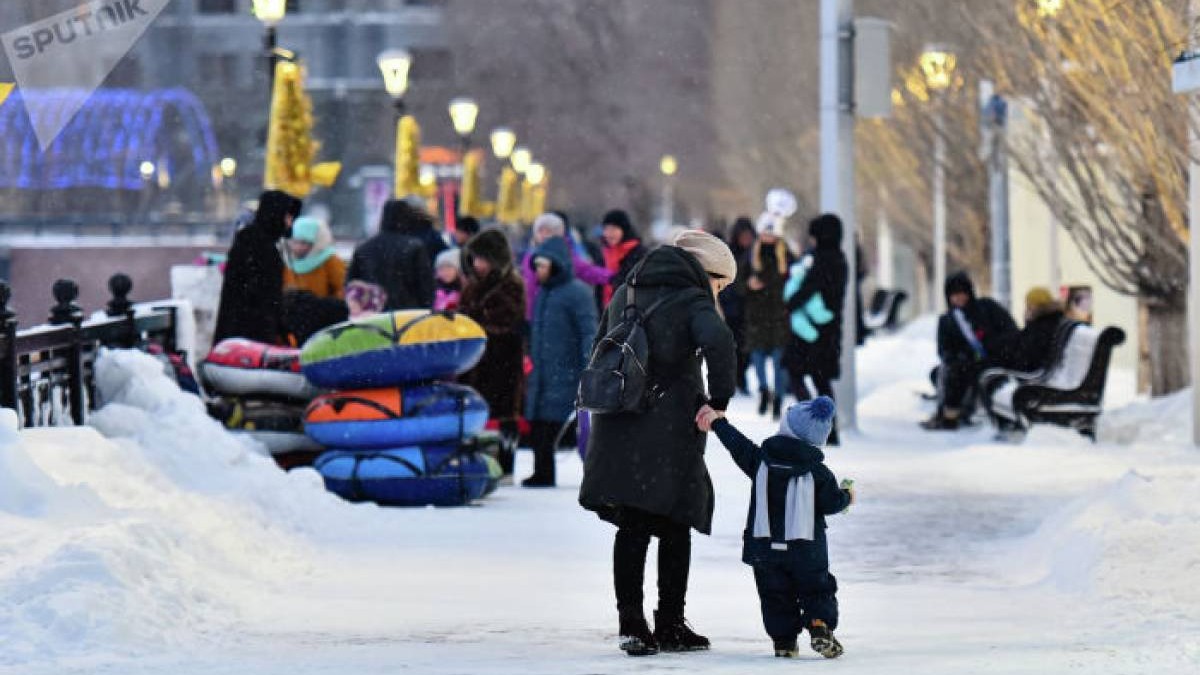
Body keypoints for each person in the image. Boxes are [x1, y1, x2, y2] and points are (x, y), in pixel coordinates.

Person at [579, 229, 737, 657]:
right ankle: (670, 622)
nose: (719, 294)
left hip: (619, 418)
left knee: (632, 524)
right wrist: (719, 400)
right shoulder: (693, 299)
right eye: (721, 285)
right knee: (675, 521)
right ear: (707, 274)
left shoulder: (626, 291)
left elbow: (600, 346)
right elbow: (720, 340)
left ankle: (631, 623)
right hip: (670, 424)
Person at [698, 396, 853, 660]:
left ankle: (784, 642)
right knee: (817, 589)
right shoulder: (819, 473)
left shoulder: (760, 460)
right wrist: (847, 496)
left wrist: (718, 423)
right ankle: (819, 625)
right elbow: (831, 503)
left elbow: (737, 444)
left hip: (764, 547)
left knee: (774, 594)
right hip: (807, 550)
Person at [524, 236, 598, 487]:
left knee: (571, 428)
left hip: (567, 371)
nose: (538, 270)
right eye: (537, 266)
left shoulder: (577, 293)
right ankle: (542, 472)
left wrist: (588, 365)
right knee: (540, 425)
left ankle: (596, 476)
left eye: (542, 266)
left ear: (556, 264)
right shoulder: (544, 293)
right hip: (544, 371)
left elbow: (588, 332)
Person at [459, 229, 527, 476]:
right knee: (477, 413)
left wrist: (475, 323)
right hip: (474, 361)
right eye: (475, 258)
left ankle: (505, 467)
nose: (477, 264)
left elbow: (507, 321)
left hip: (502, 360)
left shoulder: (511, 285)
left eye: (483, 259)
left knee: (504, 414)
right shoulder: (471, 286)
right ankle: (479, 464)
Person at [921, 271, 1019, 431]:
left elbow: (1010, 332)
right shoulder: (947, 321)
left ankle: (950, 414)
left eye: (962, 293)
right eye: (954, 294)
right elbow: (944, 350)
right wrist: (961, 355)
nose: (959, 298)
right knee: (944, 371)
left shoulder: (987, 308)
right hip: (964, 363)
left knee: (958, 372)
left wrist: (990, 347)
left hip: (994, 360)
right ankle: (950, 412)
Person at [783, 214, 849, 445]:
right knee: (822, 380)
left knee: (796, 374)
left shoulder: (822, 258)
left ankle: (814, 425)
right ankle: (829, 427)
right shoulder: (839, 258)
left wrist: (789, 304)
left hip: (810, 330)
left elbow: (810, 287)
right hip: (828, 329)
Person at [213, 189, 302, 345]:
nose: (290, 223)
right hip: (252, 334)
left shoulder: (252, 240)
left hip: (239, 331)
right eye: (287, 217)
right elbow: (266, 297)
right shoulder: (261, 246)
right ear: (276, 215)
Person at [980, 287, 1072, 431]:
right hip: (1043, 371)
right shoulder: (1047, 321)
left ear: (1034, 306)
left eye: (1028, 306)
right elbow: (1023, 344)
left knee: (990, 376)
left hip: (1037, 377)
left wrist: (1007, 361)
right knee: (990, 368)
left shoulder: (1042, 325)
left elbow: (1028, 357)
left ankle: (1007, 427)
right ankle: (1007, 425)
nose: (1026, 309)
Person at [738, 211, 795, 420]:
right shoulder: (751, 255)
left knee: (780, 362)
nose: (768, 236)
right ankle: (763, 390)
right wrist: (748, 285)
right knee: (758, 358)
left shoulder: (786, 254)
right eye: (765, 232)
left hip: (780, 316)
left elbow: (795, 280)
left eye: (771, 232)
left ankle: (778, 398)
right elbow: (737, 283)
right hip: (757, 317)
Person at [521, 212, 612, 321]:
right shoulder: (530, 254)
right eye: (540, 231)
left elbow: (585, 270)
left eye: (548, 231)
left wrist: (611, 277)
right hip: (532, 315)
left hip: (556, 315)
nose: (543, 235)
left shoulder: (564, 255)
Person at [346, 199, 434, 311]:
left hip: (373, 313)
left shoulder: (364, 248)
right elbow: (425, 286)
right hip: (407, 312)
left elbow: (352, 285)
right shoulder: (414, 247)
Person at [720, 216, 757, 395]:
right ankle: (732, 380)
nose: (746, 240)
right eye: (743, 236)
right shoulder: (728, 253)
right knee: (731, 348)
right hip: (731, 308)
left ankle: (741, 379)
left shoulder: (755, 253)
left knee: (746, 349)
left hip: (749, 309)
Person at [283, 216, 345, 299]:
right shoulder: (287, 261)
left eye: (304, 243)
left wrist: (321, 303)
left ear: (316, 243)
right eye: (295, 242)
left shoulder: (330, 260)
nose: (298, 247)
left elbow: (343, 290)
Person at [599, 209, 648, 306]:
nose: (608, 234)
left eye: (613, 229)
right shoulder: (603, 253)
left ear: (624, 230)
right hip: (605, 309)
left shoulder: (638, 253)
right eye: (606, 229)